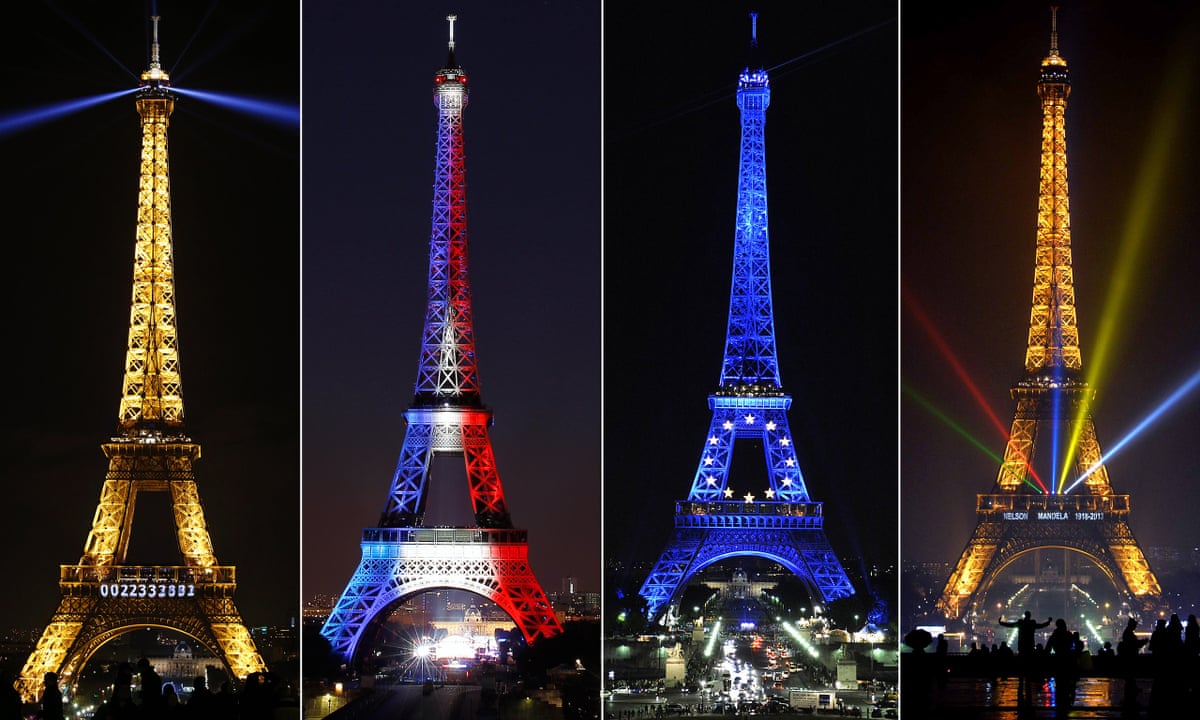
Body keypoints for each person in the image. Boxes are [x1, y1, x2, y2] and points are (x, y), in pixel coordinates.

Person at [998, 611, 1052, 704]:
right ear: (1030, 616)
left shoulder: (1021, 623)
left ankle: (1021, 683)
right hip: (1030, 648)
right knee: (1029, 667)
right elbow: (1041, 626)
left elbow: (1009, 625)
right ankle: (1028, 681)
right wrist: (1048, 622)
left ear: (1024, 616)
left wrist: (1001, 622)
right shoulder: (1032, 624)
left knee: (1022, 668)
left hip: (1022, 648)